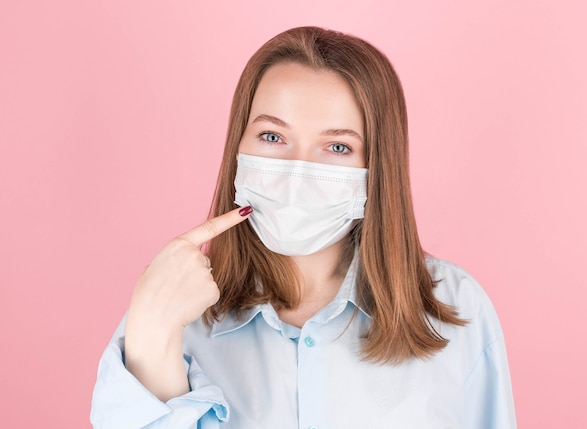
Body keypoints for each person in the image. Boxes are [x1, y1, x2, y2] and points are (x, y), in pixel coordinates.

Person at [91, 26, 516, 428]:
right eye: (273, 137)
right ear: (239, 144)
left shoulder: (456, 310)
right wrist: (151, 333)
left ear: (376, 168)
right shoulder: (174, 307)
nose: (298, 171)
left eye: (337, 146)